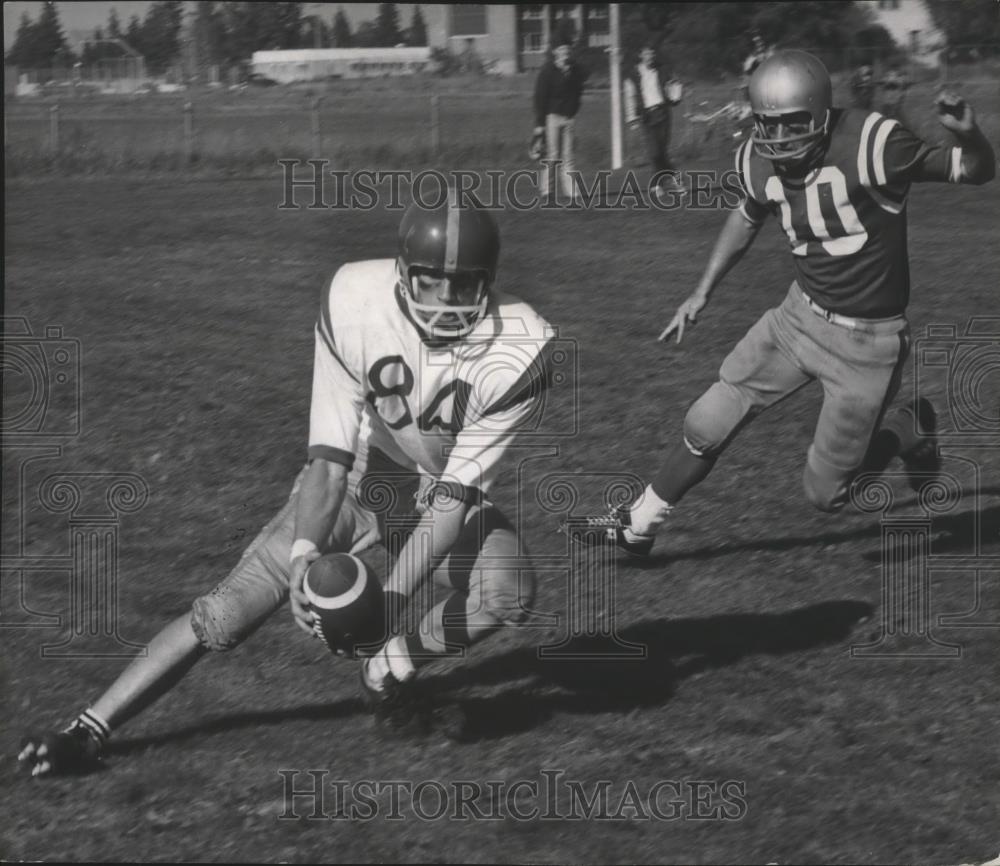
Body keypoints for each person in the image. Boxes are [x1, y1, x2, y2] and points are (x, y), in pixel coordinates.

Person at [18, 192, 556, 776]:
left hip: (432, 488)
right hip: (357, 474)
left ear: (490, 283)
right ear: (404, 274)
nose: (446, 304)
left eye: (464, 286)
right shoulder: (354, 298)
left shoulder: (522, 348)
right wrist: (303, 559)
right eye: (431, 282)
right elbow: (328, 458)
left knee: (507, 589)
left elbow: (451, 500)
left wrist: (387, 613)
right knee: (223, 616)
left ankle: (386, 670)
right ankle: (88, 730)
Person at [569, 49, 994, 557]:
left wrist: (967, 134)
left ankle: (906, 427)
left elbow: (974, 170)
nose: (779, 138)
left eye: (792, 124)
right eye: (767, 124)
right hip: (797, 318)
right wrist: (701, 291)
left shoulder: (872, 142)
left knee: (828, 494)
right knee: (707, 421)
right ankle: (639, 523)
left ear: (818, 112)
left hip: (867, 343)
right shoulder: (757, 156)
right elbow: (746, 216)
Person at [624, 41, 686, 199]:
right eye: (646, 53)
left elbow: (675, 85)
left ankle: (659, 185)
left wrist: (676, 95)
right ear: (640, 55)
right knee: (654, 152)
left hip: (663, 113)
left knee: (662, 151)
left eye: (651, 53)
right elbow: (630, 96)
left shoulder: (663, 69)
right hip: (646, 115)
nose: (649, 56)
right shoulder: (634, 73)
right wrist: (631, 118)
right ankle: (671, 181)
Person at [533, 38, 587, 203]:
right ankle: (547, 191)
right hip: (552, 117)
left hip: (568, 118)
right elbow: (540, 98)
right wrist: (539, 124)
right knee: (552, 155)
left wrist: (573, 111)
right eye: (562, 50)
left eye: (568, 50)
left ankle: (572, 194)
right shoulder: (548, 71)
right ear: (555, 52)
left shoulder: (574, 70)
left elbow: (579, 92)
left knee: (568, 156)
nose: (566, 53)